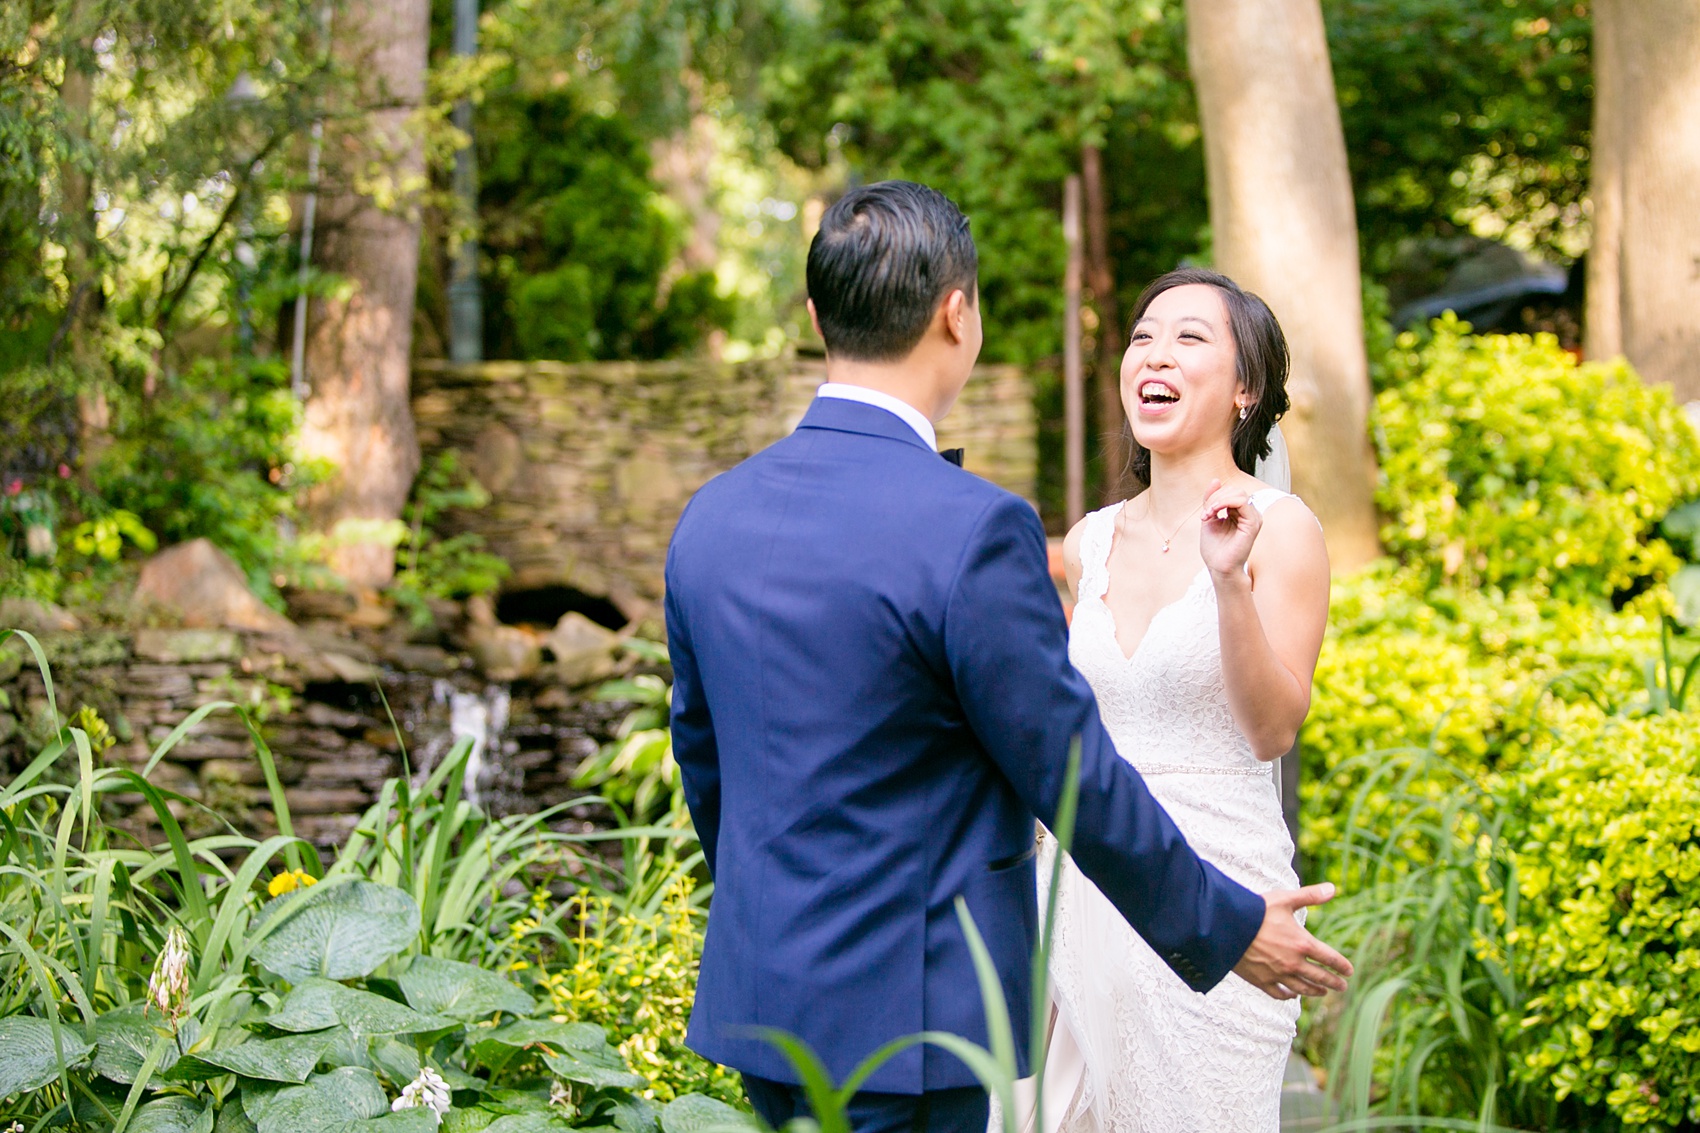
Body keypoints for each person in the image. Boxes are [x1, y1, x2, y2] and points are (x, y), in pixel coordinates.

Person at [663, 183, 1351, 1133]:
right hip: (920, 1011)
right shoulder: (978, 527)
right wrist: (1228, 928)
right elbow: (1066, 768)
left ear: (817, 315)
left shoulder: (711, 516)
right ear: (959, 314)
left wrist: (778, 914)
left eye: (1189, 339)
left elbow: (705, 760)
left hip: (763, 996)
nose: (1155, 353)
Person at [1037, 268, 1332, 1133]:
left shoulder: (1285, 527)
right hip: (1083, 880)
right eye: (1142, 336)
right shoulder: (1088, 540)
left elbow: (1274, 727)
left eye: (1189, 337)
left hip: (1220, 887)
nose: (1154, 353)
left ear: (1246, 388)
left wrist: (1227, 582)